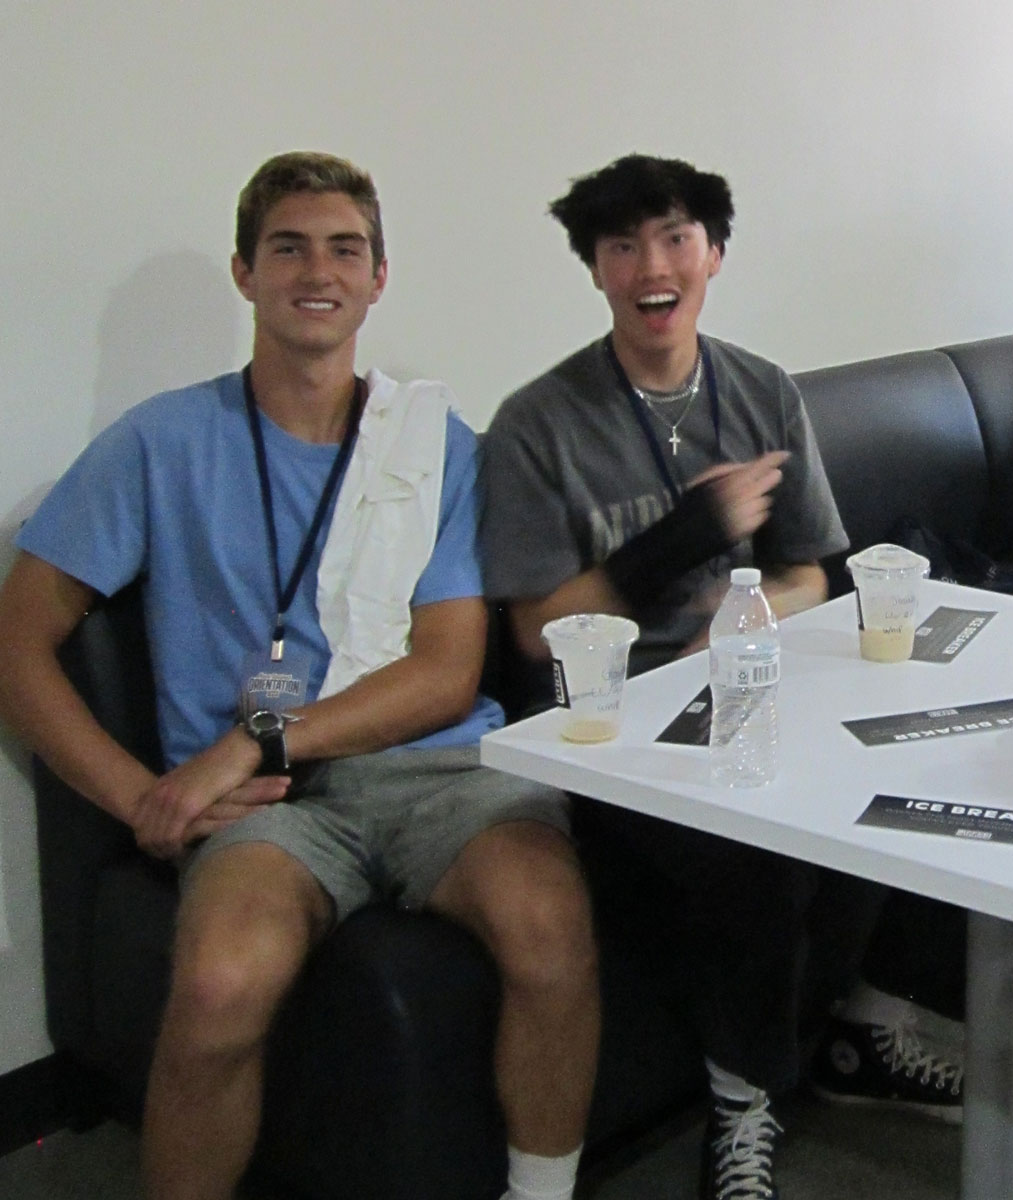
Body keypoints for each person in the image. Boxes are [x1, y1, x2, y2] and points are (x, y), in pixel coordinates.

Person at [0, 153, 599, 1200]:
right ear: (246, 273)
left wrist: (256, 736)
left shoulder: (437, 448)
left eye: (344, 249)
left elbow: (447, 673)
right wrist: (139, 794)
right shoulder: (161, 441)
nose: (316, 271)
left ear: (379, 278)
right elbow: (18, 640)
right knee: (222, 982)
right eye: (287, 247)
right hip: (271, 810)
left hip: (440, 770)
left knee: (549, 928)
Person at [479, 154, 963, 1200]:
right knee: (752, 843)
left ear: (714, 254)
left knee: (928, 759)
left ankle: (869, 1031)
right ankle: (744, 1103)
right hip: (611, 730)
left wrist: (740, 618)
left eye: (675, 239)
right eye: (622, 247)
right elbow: (530, 635)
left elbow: (808, 574)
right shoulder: (539, 425)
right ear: (597, 271)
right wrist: (677, 542)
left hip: (750, 683)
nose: (652, 267)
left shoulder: (761, 391)